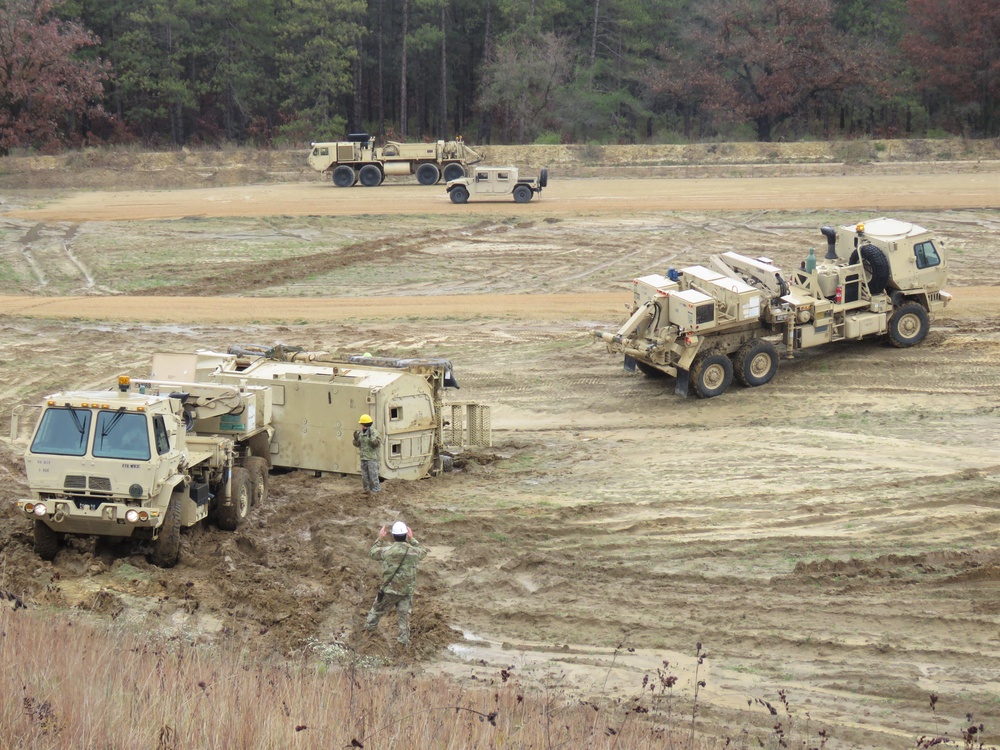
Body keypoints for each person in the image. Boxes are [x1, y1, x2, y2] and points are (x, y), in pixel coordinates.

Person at [364, 521, 429, 647]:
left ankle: (368, 635)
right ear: (406, 535)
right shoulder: (414, 552)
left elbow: (372, 552)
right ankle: (402, 645)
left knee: (376, 611)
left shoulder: (387, 551)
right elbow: (423, 551)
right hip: (406, 591)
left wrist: (380, 538)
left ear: (393, 536)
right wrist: (412, 539)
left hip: (390, 590)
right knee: (404, 618)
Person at [353, 414, 381, 493]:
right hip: (363, 458)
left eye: (363, 425)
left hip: (372, 459)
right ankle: (367, 492)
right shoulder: (361, 433)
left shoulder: (374, 433)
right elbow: (357, 444)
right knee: (365, 478)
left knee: (373, 477)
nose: (362, 426)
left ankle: (376, 492)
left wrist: (371, 437)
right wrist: (355, 439)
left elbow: (376, 444)